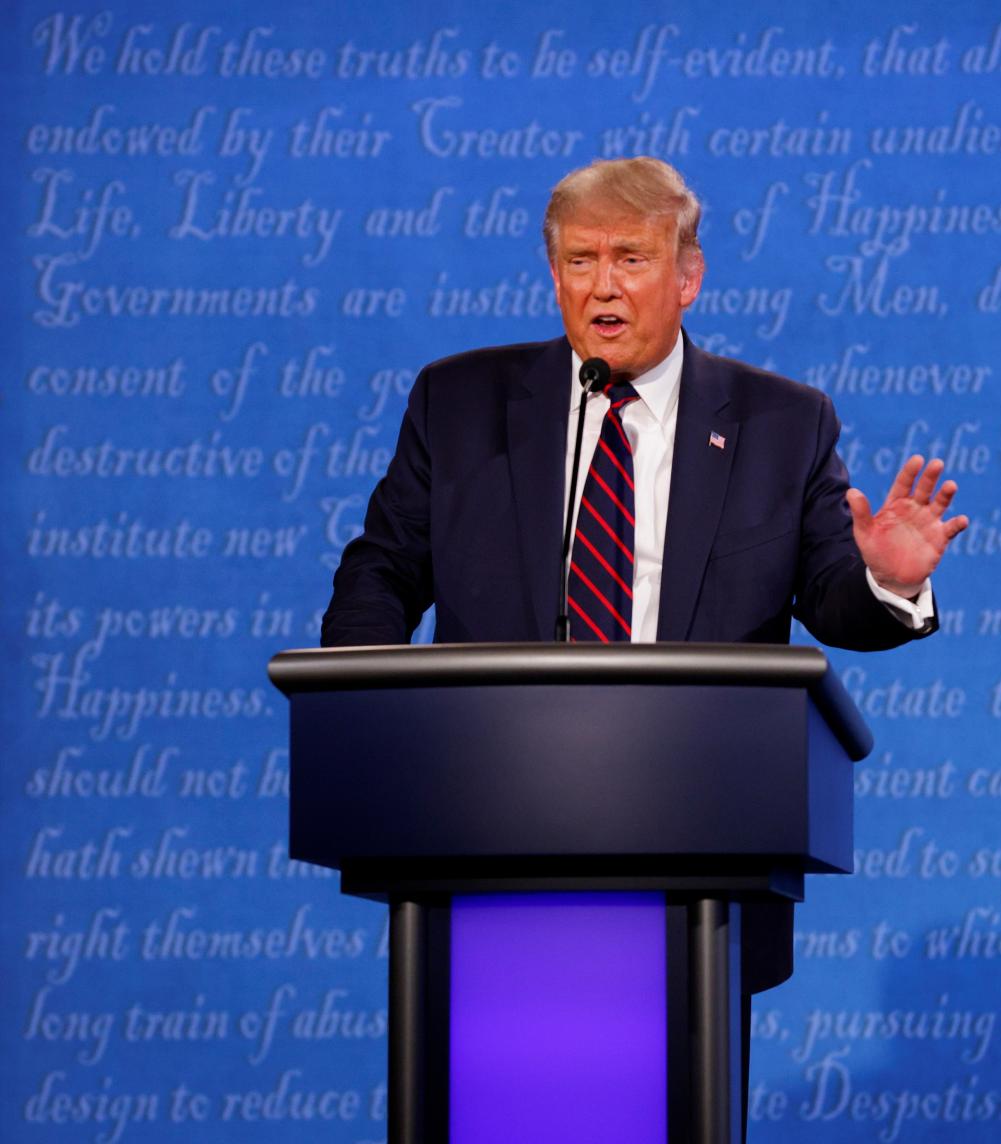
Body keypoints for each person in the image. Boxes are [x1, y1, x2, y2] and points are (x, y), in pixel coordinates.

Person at [320, 156, 968, 1122]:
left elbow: (833, 600)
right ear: (554, 277)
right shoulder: (460, 405)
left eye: (631, 257)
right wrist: (362, 721)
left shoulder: (781, 424)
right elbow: (382, 572)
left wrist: (888, 579)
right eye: (579, 261)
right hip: (483, 839)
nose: (604, 285)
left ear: (688, 274)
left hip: (697, 858)